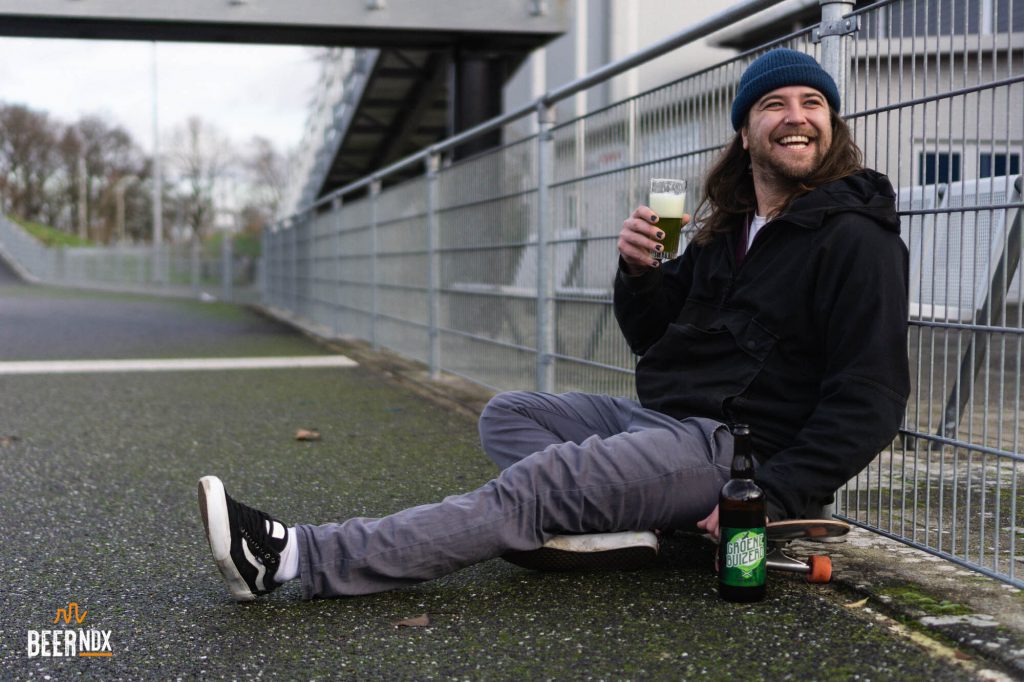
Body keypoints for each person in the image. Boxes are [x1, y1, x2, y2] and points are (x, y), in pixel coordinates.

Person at [198, 48, 910, 602]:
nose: (797, 115)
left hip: (741, 457)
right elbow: (658, 343)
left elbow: (871, 399)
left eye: (814, 103)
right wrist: (639, 275)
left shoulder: (854, 238)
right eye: (775, 104)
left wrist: (772, 498)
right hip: (670, 423)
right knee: (509, 416)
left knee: (539, 486)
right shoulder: (727, 233)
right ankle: (660, 529)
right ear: (745, 131)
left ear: (832, 126)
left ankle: (295, 558)